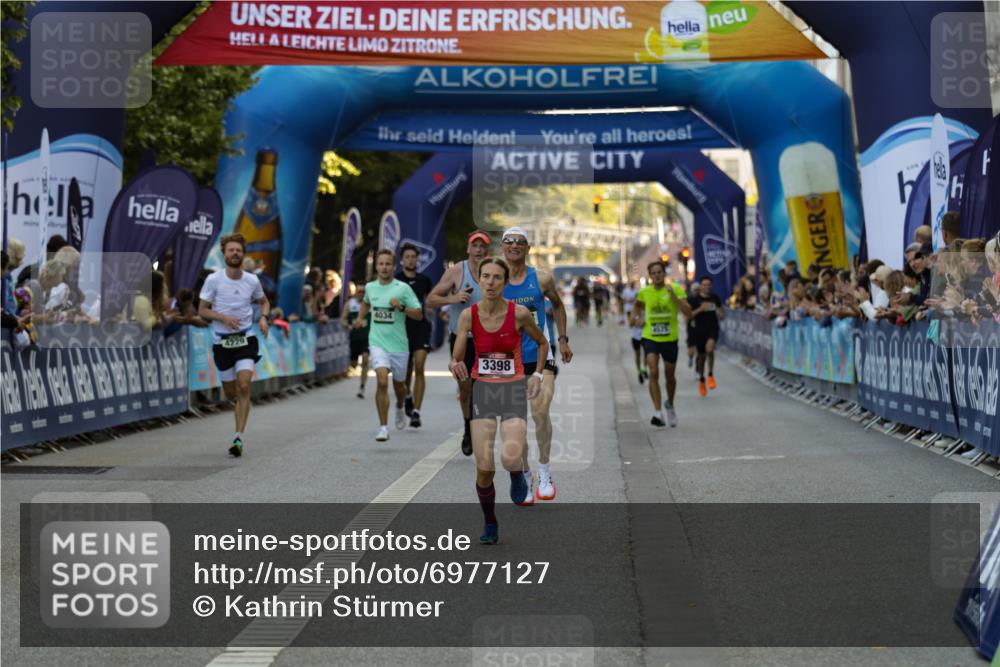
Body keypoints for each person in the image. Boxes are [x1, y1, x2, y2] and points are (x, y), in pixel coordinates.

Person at [449, 257, 549, 544]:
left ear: (505, 283)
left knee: (509, 457)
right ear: (479, 280)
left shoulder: (518, 314)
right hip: (484, 391)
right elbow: (457, 355)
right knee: (484, 468)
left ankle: (517, 474)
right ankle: (490, 521)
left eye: (497, 278)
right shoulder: (469, 315)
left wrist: (537, 376)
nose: (490, 282)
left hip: (513, 389)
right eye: (486, 277)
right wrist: (455, 364)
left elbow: (542, 343)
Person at [500, 227, 573, 501]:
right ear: (502, 247)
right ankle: (527, 474)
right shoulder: (495, 280)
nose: (514, 246)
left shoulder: (541, 278)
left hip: (542, 356)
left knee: (540, 412)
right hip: (508, 361)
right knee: (515, 424)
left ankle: (545, 470)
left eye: (520, 242)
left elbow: (559, 306)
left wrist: (563, 339)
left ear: (528, 248)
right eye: (509, 242)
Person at [197, 233, 270, 457]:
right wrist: (223, 318)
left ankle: (238, 437)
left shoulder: (252, 280)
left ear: (243, 253)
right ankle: (238, 406)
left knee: (245, 385)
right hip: (222, 342)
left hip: (245, 338)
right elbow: (202, 310)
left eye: (238, 250)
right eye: (231, 250)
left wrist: (264, 317)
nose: (235, 253)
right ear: (224, 254)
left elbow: (264, 301)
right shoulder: (214, 280)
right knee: (231, 393)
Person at [427, 230, 492, 455]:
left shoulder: (493, 272)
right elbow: (431, 299)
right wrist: (453, 298)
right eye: (475, 246)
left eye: (483, 246)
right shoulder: (456, 271)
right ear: (468, 249)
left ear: (488, 250)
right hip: (462, 339)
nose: (479, 250)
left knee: (483, 387)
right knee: (466, 389)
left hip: (488, 339)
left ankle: (479, 428)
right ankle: (467, 427)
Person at [353, 249, 423, 442]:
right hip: (377, 343)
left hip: (399, 345)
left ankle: (401, 405)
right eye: (381, 264)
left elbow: (418, 313)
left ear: (394, 267)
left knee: (400, 386)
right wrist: (360, 318)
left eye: (388, 264)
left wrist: (400, 307)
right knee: (382, 381)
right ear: (376, 266)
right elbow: (366, 303)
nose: (384, 267)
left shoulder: (402, 289)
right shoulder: (370, 287)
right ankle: (383, 427)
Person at [630, 260, 692, 427]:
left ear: (665, 274)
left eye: (659, 272)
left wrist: (674, 297)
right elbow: (636, 307)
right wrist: (635, 318)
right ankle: (658, 413)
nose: (657, 276)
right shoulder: (644, 292)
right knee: (653, 371)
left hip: (670, 338)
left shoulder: (676, 289)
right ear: (649, 276)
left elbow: (688, 312)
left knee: (669, 376)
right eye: (653, 273)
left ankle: (669, 405)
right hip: (650, 336)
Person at [396, 243, 434, 428]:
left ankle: (417, 412)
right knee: (404, 372)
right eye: (408, 256)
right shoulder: (395, 280)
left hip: (421, 327)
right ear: (402, 260)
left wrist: (432, 308)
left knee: (419, 366)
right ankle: (408, 396)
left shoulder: (424, 280)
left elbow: (430, 300)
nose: (411, 259)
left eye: (414, 256)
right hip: (401, 329)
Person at [687, 276, 725, 397]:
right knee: (701, 357)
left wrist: (721, 314)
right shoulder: (694, 299)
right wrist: (700, 309)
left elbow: (721, 310)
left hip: (712, 329)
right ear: (700, 286)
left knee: (710, 349)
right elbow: (689, 315)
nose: (707, 287)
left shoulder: (715, 298)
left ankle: (710, 374)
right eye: (704, 285)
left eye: (709, 285)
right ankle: (702, 380)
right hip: (699, 330)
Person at [341, 282, 370, 399]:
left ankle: (362, 386)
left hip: (367, 337)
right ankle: (355, 364)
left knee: (365, 359)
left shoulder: (371, 304)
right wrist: (347, 325)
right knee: (353, 363)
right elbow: (342, 318)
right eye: (359, 292)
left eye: (364, 292)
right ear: (356, 293)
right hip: (354, 338)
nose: (361, 294)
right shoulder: (350, 304)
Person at [621, 279, 647, 383]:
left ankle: (645, 368)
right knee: (637, 354)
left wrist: (644, 323)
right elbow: (630, 324)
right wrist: (637, 322)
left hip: (646, 335)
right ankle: (639, 371)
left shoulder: (647, 309)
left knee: (646, 353)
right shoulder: (633, 311)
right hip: (636, 336)